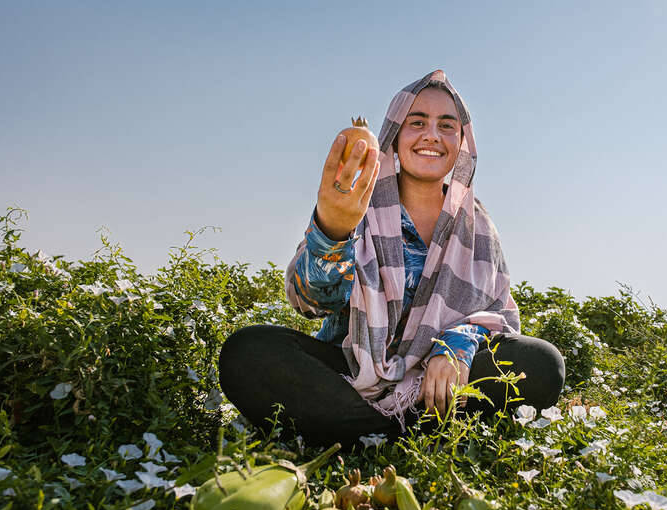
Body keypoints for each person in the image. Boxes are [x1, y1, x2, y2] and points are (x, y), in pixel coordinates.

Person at [219, 70, 565, 447]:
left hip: (439, 382)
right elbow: (310, 303)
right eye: (417, 122)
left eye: (446, 125)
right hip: (351, 372)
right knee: (248, 353)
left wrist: (454, 347)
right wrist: (332, 233)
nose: (431, 135)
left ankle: (361, 432)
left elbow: (496, 315)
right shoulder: (356, 203)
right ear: (395, 135)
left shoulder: (476, 225)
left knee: (542, 363)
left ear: (461, 141)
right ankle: (402, 431)